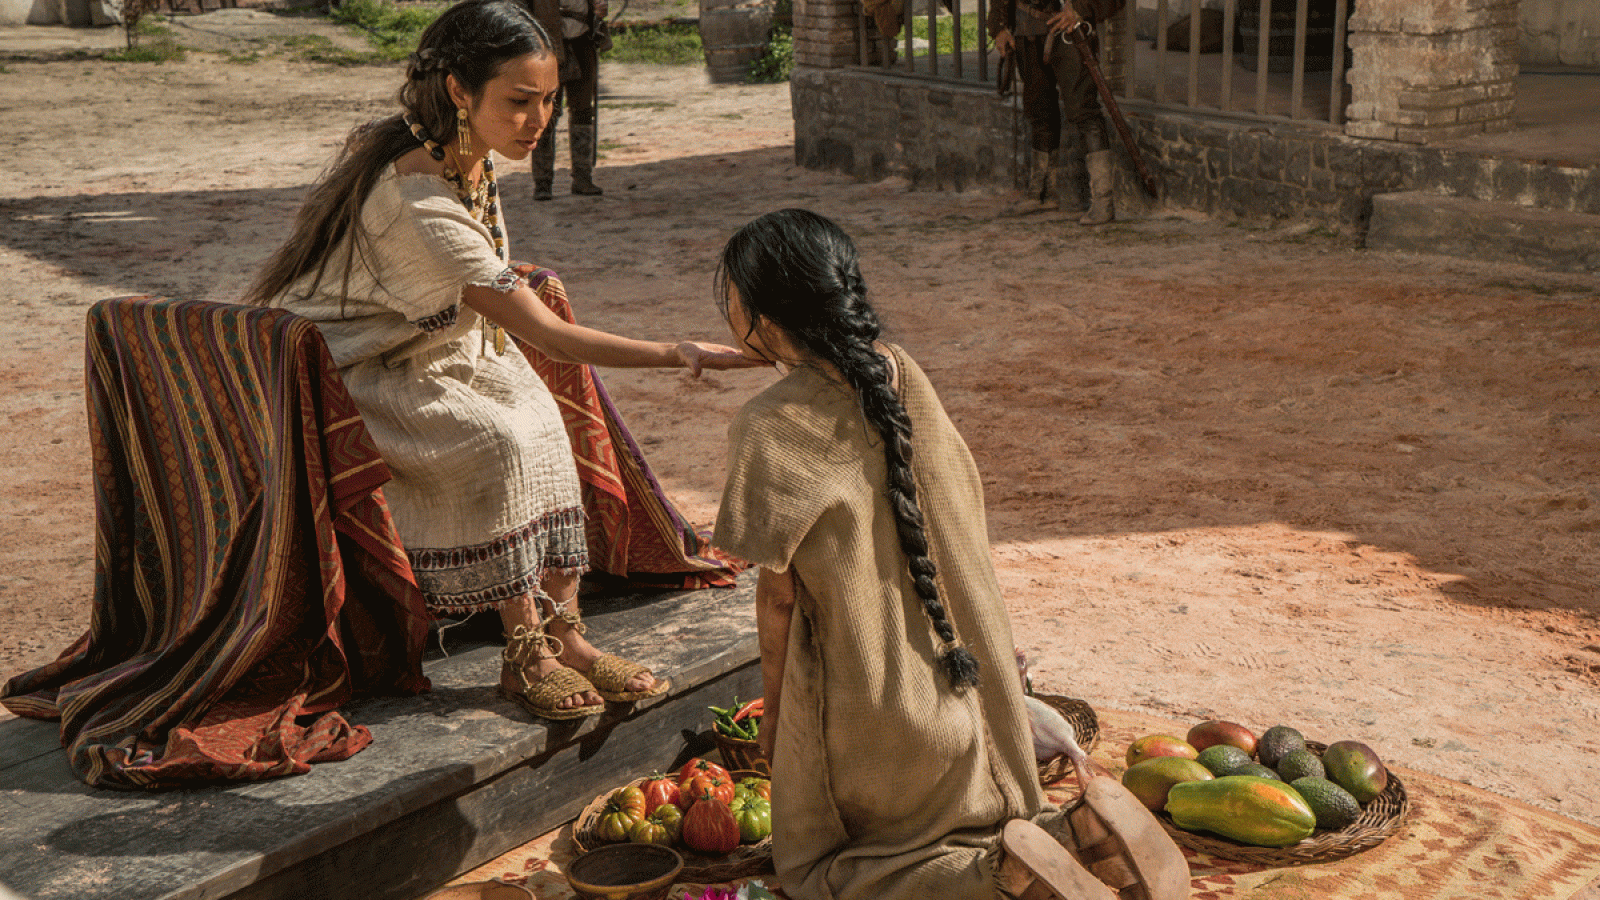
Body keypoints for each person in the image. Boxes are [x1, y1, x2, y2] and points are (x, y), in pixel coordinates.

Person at [244, 0, 765, 722]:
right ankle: (527, 654)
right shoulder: (416, 200)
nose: (539, 119)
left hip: (437, 346)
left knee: (544, 422)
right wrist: (678, 352)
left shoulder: (461, 155)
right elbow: (551, 338)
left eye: (550, 100)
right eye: (519, 102)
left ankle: (569, 637)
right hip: (359, 376)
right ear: (460, 91)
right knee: (499, 440)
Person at [710, 209, 1187, 899]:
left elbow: (778, 598)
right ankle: (1066, 837)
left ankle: (994, 879)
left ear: (758, 311)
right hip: (978, 693)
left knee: (824, 875)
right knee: (999, 819)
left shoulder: (767, 425)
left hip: (886, 717)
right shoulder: (902, 375)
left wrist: (779, 721)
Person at [989, 0, 1125, 224]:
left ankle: (1103, 200)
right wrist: (999, 26)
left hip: (1069, 33)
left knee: (1085, 112)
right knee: (1038, 111)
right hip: (1026, 32)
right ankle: (1042, 194)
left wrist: (1081, 8)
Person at [526, 0, 609, 199]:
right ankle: (543, 183)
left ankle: (582, 179)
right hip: (548, 48)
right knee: (546, 114)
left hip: (582, 43)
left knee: (583, 112)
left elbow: (598, 8)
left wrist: (599, 12)